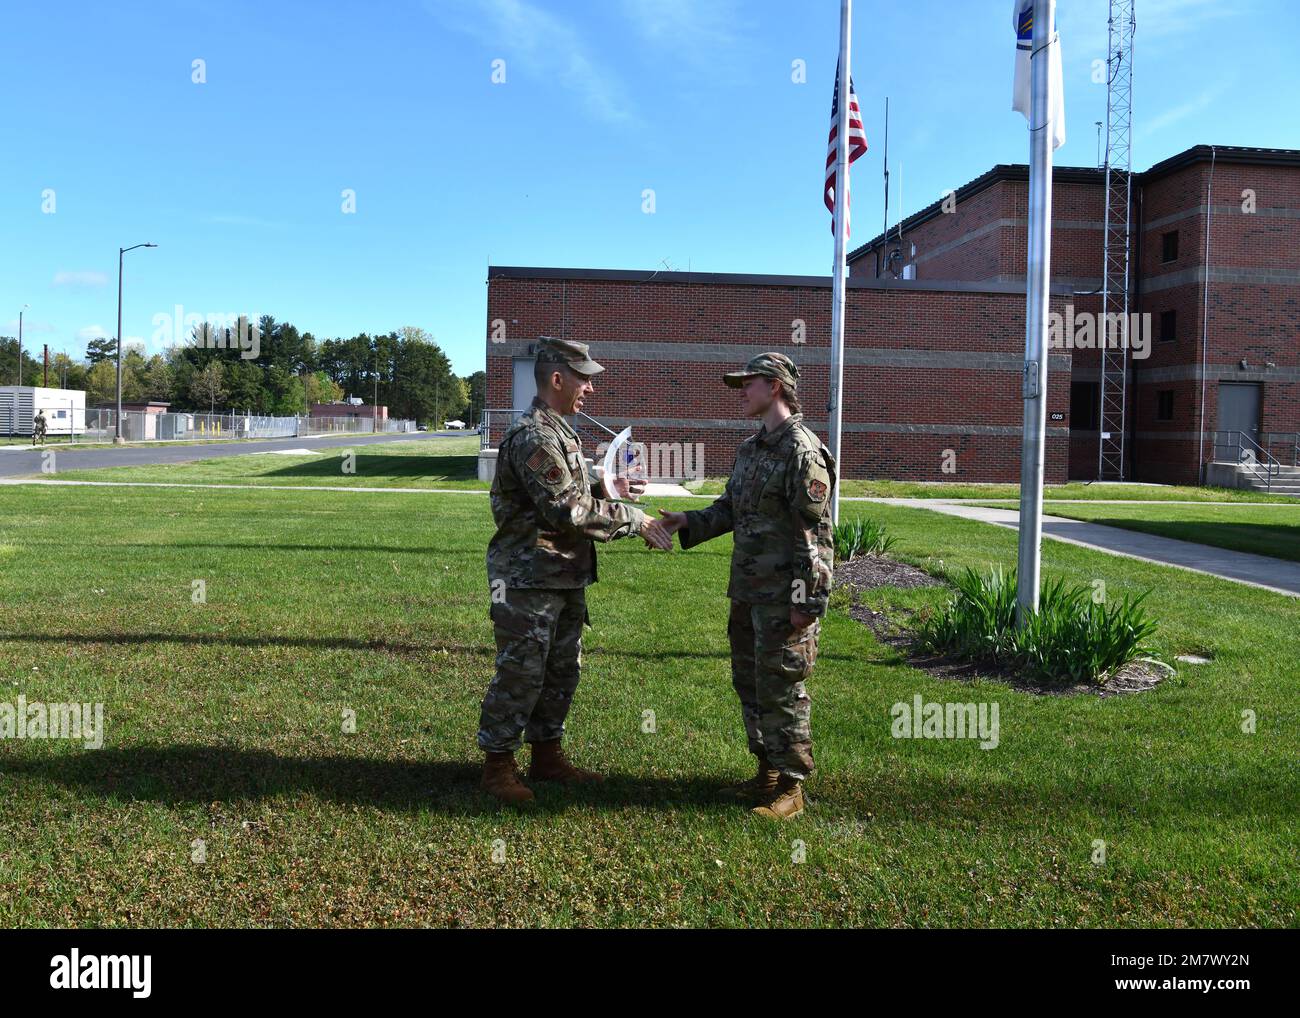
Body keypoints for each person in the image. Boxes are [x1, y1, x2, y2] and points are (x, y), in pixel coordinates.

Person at [478, 336, 672, 804]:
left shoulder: (563, 432)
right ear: (558, 379)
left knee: (561, 671)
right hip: (528, 579)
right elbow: (567, 510)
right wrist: (635, 519)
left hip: (563, 575)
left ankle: (547, 755)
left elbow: (577, 492)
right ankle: (497, 765)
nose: (590, 388)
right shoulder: (534, 437)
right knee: (521, 673)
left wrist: (615, 487)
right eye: (584, 379)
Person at [656, 353, 835, 820]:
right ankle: (767, 772)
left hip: (784, 597)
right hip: (748, 592)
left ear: (775, 386)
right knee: (751, 684)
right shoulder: (751, 450)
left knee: (783, 687)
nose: (742, 391)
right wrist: (687, 521)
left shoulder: (803, 451)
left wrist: (806, 603)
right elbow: (730, 510)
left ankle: (792, 787)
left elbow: (815, 538)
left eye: (748, 383)